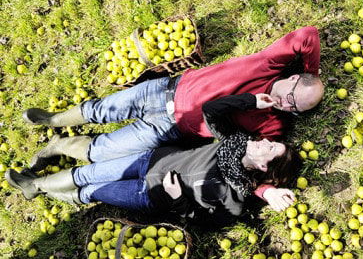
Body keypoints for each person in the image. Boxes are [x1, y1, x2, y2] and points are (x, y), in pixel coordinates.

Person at [22, 26, 322, 203]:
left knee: (101, 151)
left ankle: (57, 146)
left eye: (297, 109)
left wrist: (268, 192)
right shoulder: (270, 63)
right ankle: (52, 119)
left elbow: (256, 166)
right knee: (100, 109)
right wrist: (312, 74)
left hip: (168, 129)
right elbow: (307, 35)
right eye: (293, 98)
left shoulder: (273, 123)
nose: (288, 105)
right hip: (165, 89)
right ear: (294, 78)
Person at [6, 93, 302, 226]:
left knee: (89, 192)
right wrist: (250, 100)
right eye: (269, 141)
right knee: (86, 174)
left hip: (148, 194)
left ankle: (58, 194)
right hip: (147, 162)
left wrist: (177, 200)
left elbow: (209, 221)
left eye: (269, 148)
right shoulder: (233, 142)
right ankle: (36, 185)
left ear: (263, 166)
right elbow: (212, 110)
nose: (264, 141)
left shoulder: (235, 195)